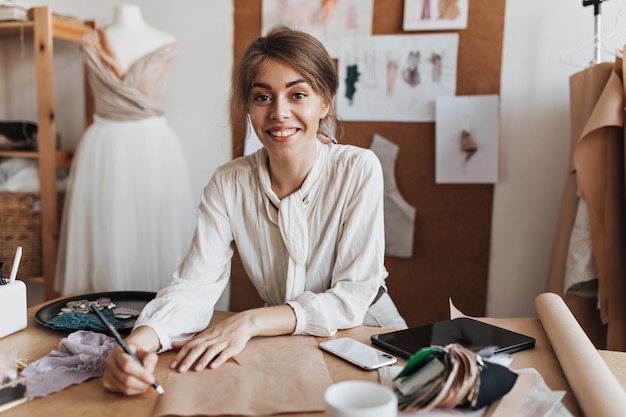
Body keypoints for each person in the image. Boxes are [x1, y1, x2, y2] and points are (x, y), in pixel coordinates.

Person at [102, 26, 407, 395]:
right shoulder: (227, 183)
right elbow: (194, 287)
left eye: (297, 94)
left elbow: (352, 297)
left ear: (324, 102)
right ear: (248, 106)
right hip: (283, 339)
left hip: (367, 332)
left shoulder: (359, 168)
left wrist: (249, 321)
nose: (279, 113)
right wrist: (138, 345)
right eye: (263, 97)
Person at [55, 4, 196, 294]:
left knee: (154, 234)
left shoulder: (165, 42)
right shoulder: (91, 41)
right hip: (105, 146)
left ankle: (158, 317)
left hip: (153, 146)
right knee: (107, 236)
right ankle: (104, 318)